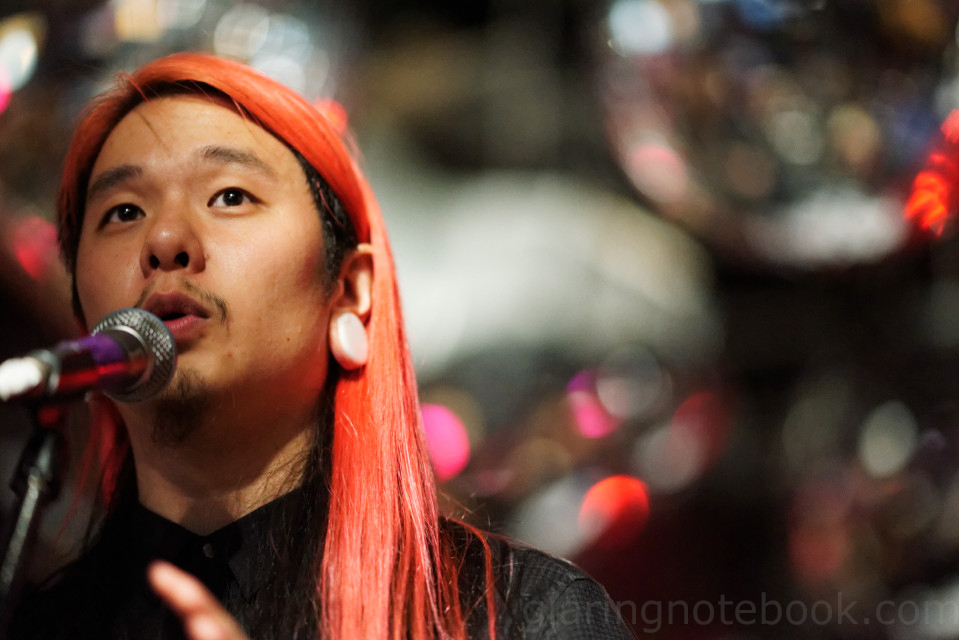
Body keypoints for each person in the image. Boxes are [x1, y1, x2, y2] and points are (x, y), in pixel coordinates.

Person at [8, 53, 636, 639]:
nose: (166, 239)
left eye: (230, 197)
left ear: (350, 290)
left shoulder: (524, 614)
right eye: (122, 212)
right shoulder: (34, 624)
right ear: (81, 306)